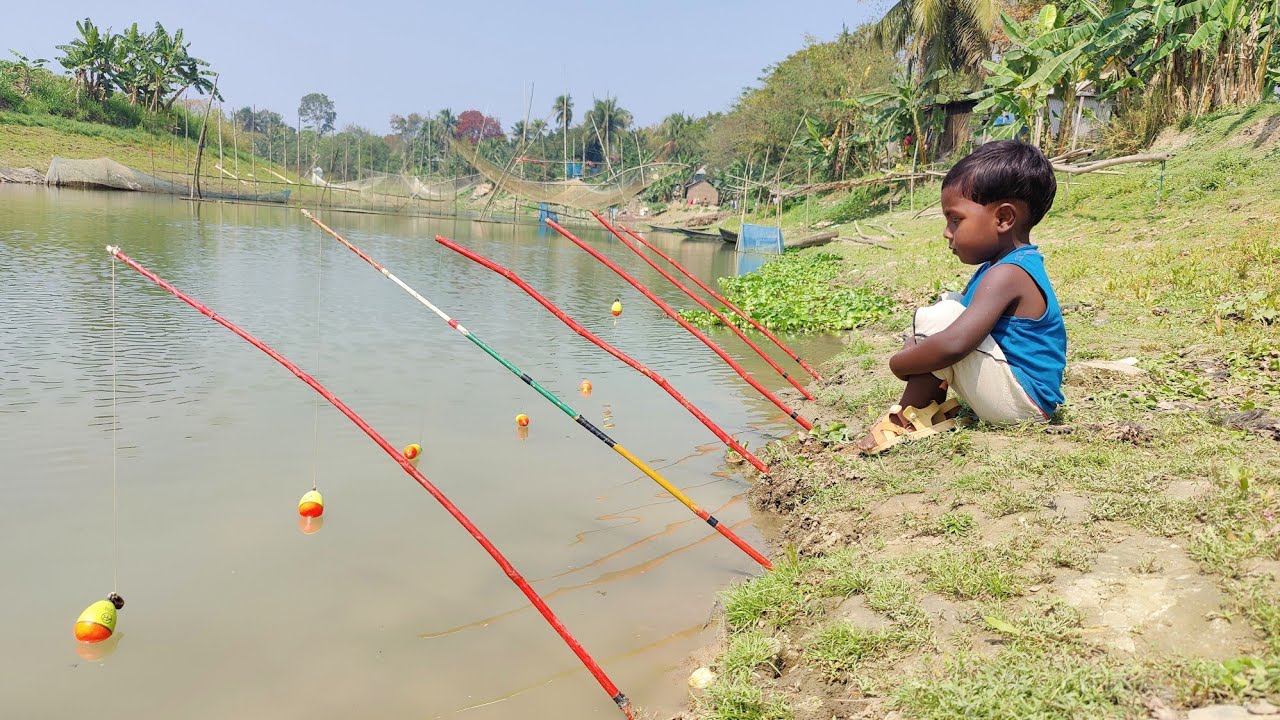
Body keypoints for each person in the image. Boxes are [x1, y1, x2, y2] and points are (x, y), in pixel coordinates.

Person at [856, 140, 1066, 455]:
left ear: (1003, 218)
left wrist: (899, 363)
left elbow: (954, 344)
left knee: (943, 319)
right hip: (1023, 398)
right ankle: (928, 410)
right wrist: (921, 346)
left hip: (1022, 405)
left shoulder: (1008, 273)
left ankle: (904, 421)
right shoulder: (1001, 267)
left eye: (955, 219)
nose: (947, 232)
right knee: (950, 304)